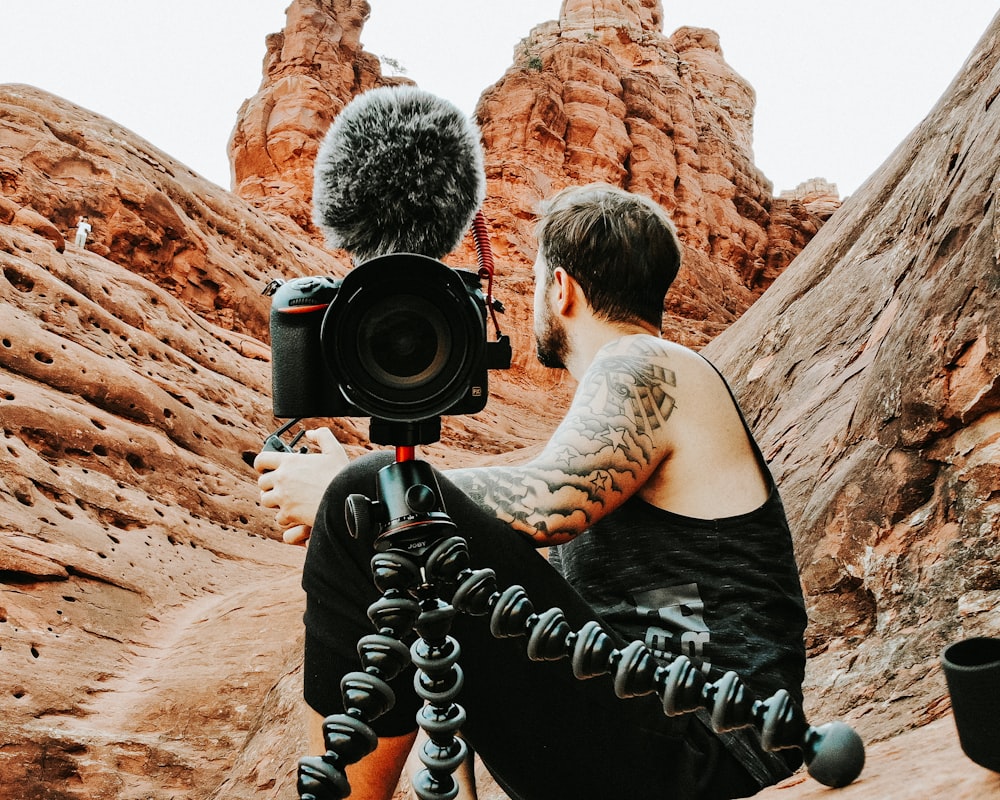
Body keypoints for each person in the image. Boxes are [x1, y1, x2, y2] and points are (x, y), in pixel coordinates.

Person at [256, 183, 808, 800]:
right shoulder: (640, 392)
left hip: (711, 739)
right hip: (660, 730)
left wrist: (352, 494)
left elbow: (551, 501)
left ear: (562, 288)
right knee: (392, 517)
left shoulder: (649, 363)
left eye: (537, 282)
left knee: (369, 493)